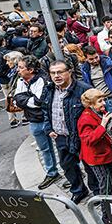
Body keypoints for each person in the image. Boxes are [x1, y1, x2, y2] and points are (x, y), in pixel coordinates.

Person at [41, 60, 95, 203]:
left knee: (90, 167)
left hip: (81, 138)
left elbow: (95, 113)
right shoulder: (49, 89)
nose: (56, 76)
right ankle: (78, 191)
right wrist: (48, 128)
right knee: (68, 166)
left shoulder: (83, 89)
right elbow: (45, 110)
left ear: (69, 72)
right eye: (53, 73)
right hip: (61, 137)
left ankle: (97, 194)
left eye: (60, 72)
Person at [13, 55, 61, 189]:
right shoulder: (20, 81)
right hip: (34, 121)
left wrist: (24, 101)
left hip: (48, 120)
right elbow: (16, 99)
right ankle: (52, 173)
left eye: (21, 67)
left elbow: (39, 102)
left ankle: (73, 173)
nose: (18, 70)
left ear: (31, 69)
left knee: (62, 147)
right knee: (45, 149)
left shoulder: (42, 80)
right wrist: (27, 100)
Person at [77, 89, 112, 196]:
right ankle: (107, 211)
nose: (104, 103)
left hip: (107, 153)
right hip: (97, 158)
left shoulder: (100, 112)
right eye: (100, 101)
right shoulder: (85, 119)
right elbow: (89, 140)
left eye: (103, 100)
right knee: (106, 186)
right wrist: (103, 125)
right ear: (90, 104)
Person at [80, 45, 112, 113]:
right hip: (96, 103)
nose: (95, 60)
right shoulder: (84, 69)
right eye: (91, 59)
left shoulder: (108, 63)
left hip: (111, 99)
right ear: (86, 59)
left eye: (96, 57)